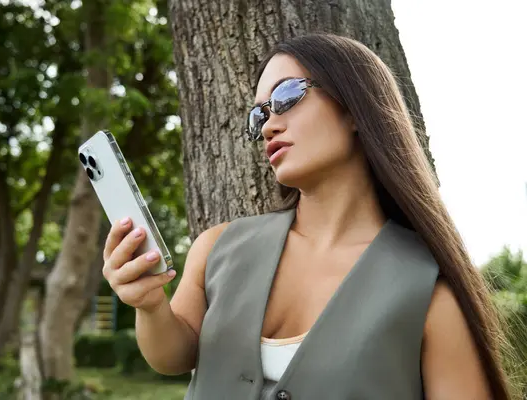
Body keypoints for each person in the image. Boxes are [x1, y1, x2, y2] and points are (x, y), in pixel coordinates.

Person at [102, 33, 512, 399]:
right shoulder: (217, 247)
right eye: (259, 115)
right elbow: (173, 356)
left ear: (354, 107)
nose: (267, 127)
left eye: (285, 98)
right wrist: (150, 304)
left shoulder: (429, 294)